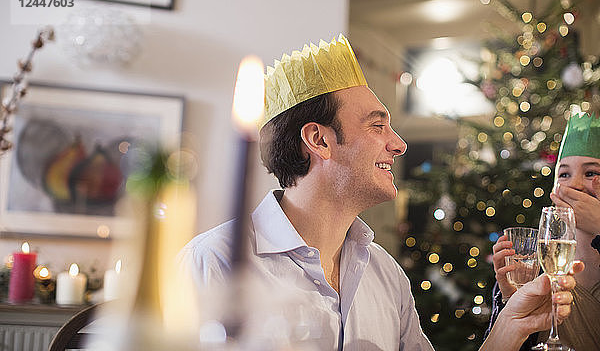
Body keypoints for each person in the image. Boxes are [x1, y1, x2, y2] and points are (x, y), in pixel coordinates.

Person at [180, 35, 580, 350]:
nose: (399, 144)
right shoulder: (210, 264)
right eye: (377, 126)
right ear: (318, 139)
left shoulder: (385, 273)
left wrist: (512, 322)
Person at [489, 112, 600, 350]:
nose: (576, 185)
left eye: (591, 173)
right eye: (564, 175)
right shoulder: (533, 265)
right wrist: (511, 299)